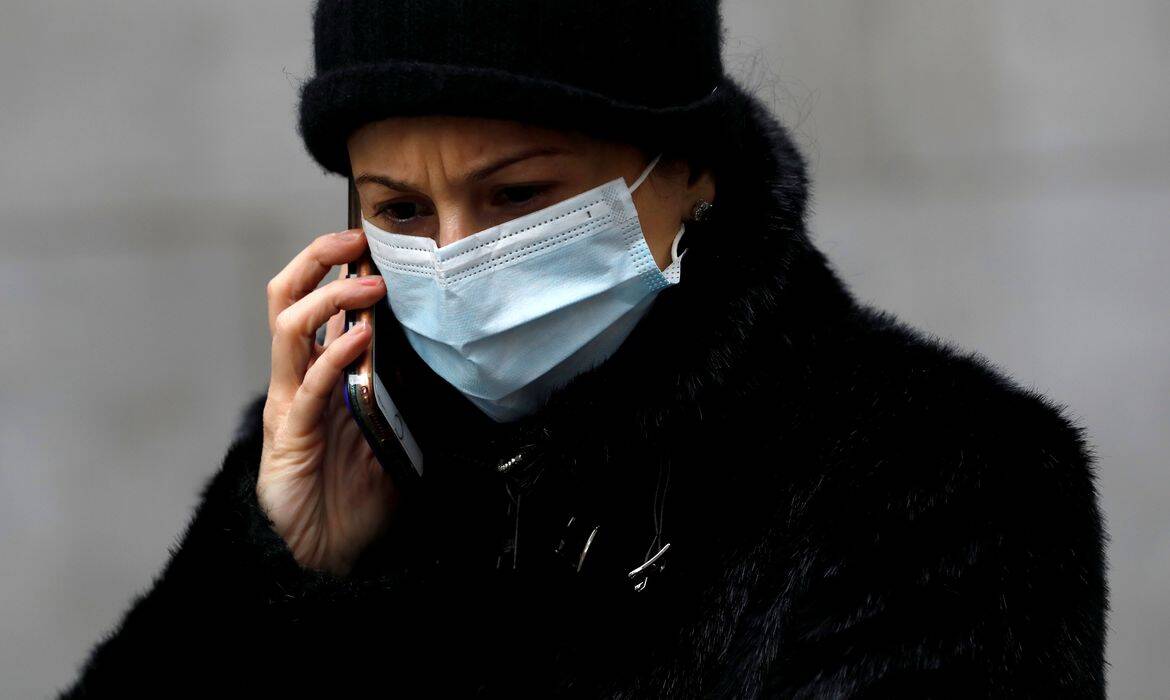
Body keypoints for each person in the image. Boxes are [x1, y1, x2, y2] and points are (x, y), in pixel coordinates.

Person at [59, 0, 1108, 697]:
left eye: (520, 195)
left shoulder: (950, 477)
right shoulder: (345, 448)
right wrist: (270, 567)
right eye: (400, 208)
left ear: (691, 170)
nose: (458, 259)